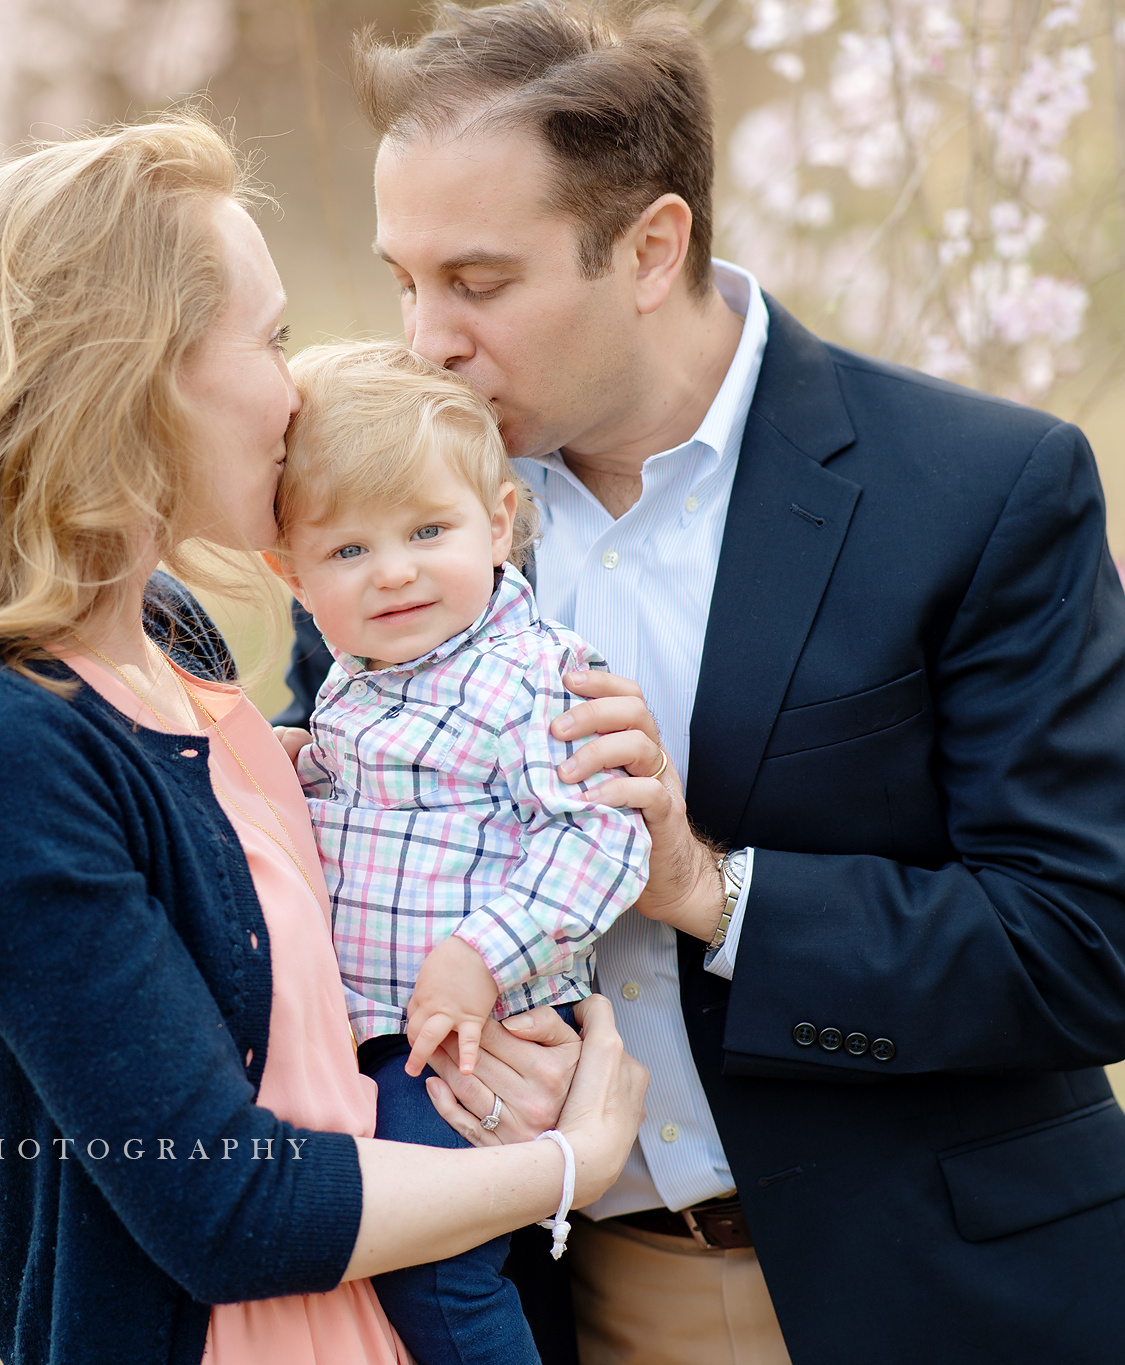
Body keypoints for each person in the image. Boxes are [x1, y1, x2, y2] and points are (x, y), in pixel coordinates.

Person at [272, 3, 1125, 1363]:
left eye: (478, 281)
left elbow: (1084, 950)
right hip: (577, 1302)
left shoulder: (980, 490)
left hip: (960, 1304)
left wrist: (707, 886)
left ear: (649, 247)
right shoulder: (391, 530)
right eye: (405, 280)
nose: (426, 339)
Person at [0, 115, 655, 1365]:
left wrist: (484, 1034)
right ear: (132, 378)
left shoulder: (165, 635)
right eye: (271, 340)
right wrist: (571, 1161)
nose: (299, 389)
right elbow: (225, 1209)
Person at [269, 341, 652, 1365]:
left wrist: (484, 953)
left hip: (476, 1034)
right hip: (378, 1031)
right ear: (292, 575)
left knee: (435, 1272)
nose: (392, 570)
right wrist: (284, 773)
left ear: (497, 523)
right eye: (347, 551)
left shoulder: (532, 677)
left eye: (427, 531)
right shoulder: (359, 678)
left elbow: (601, 837)